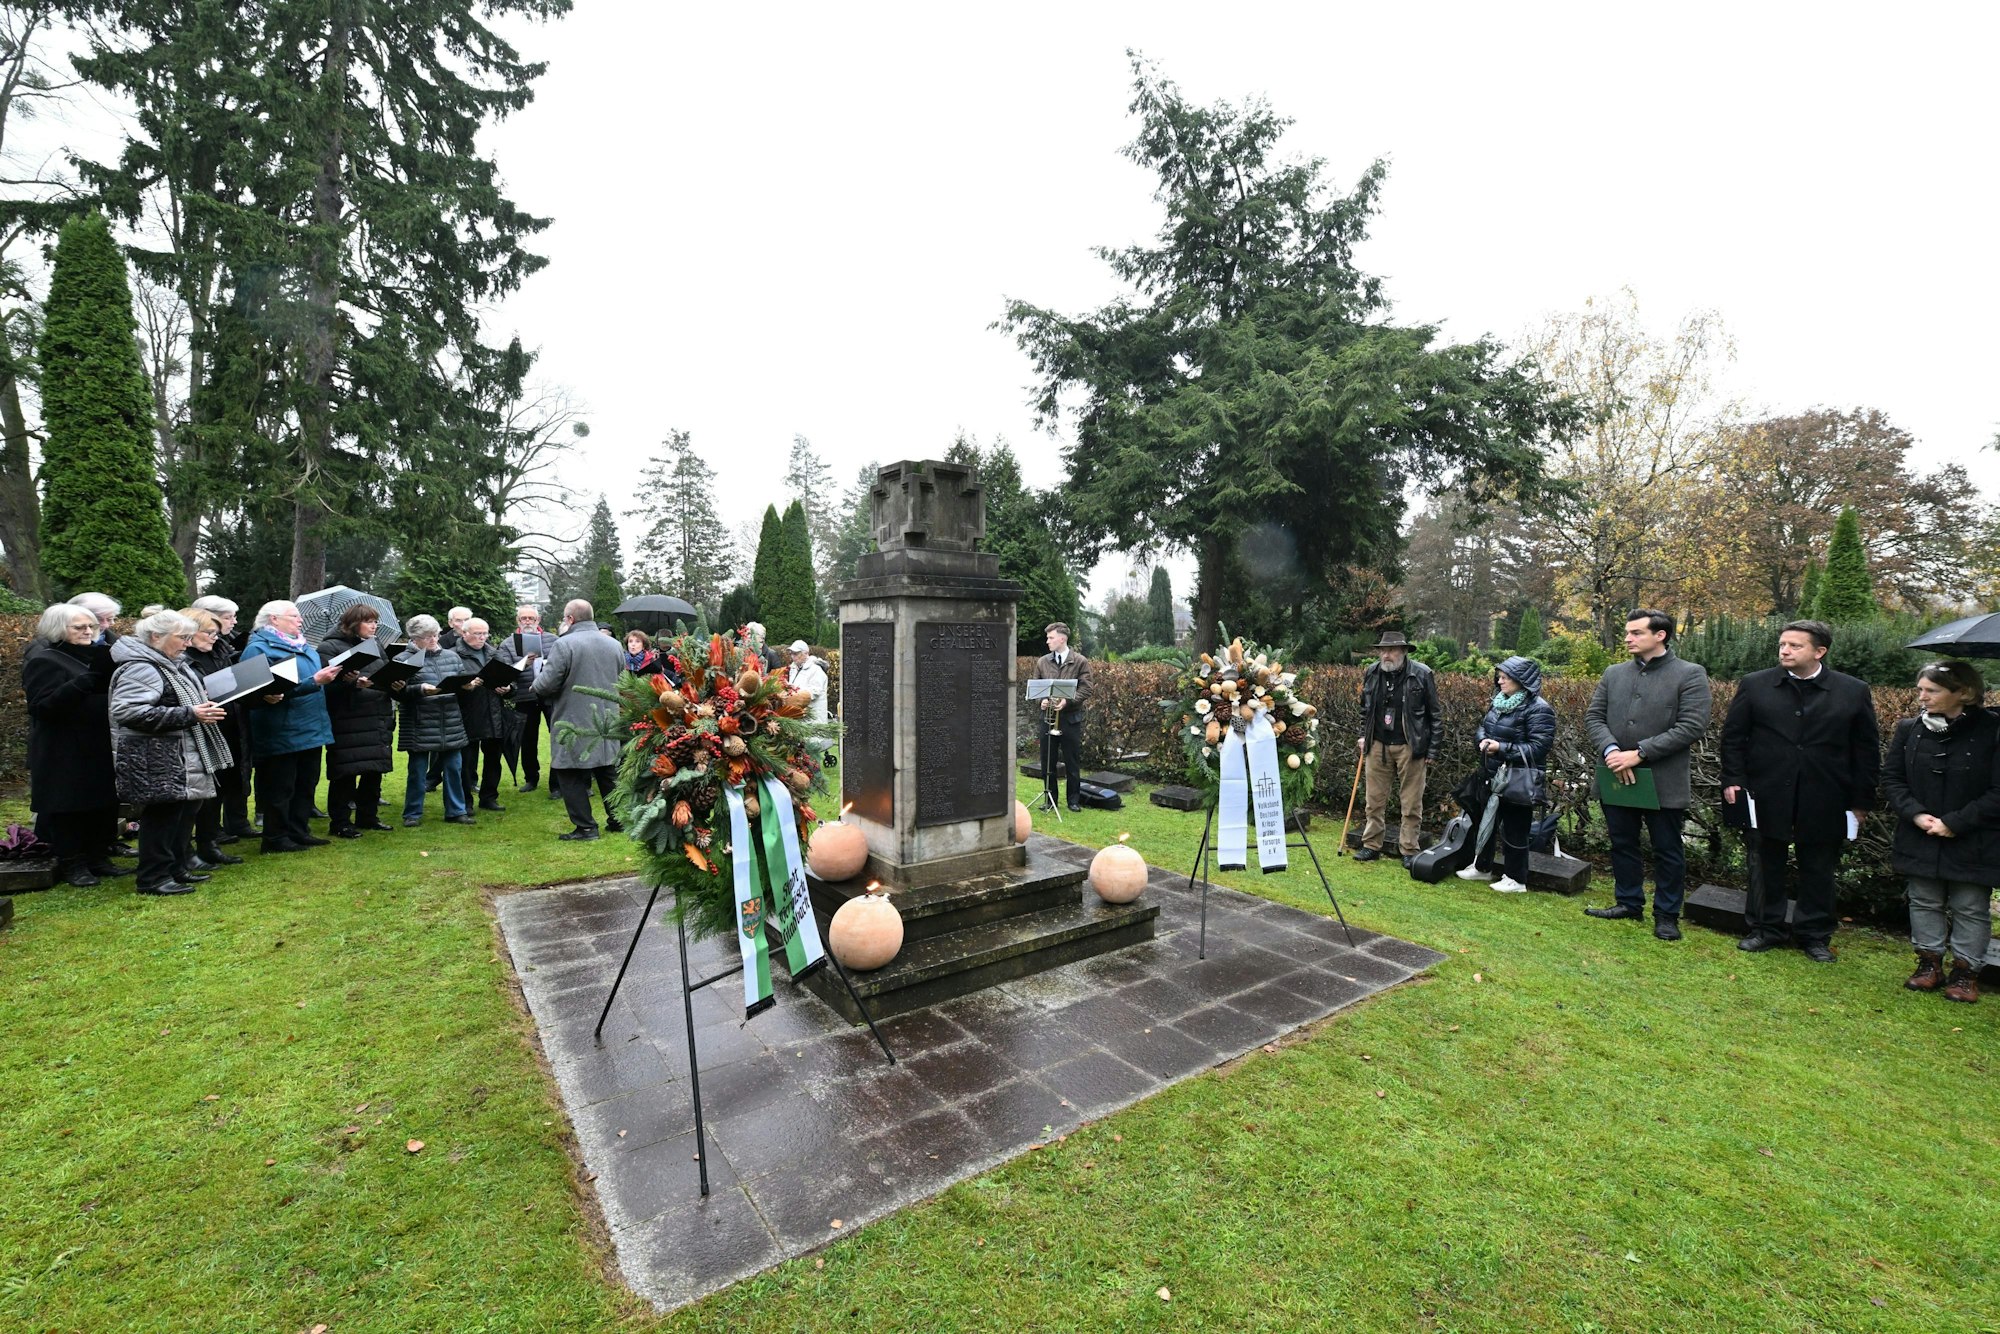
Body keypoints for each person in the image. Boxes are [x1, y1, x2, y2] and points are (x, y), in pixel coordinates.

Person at [1720, 619, 1881, 963]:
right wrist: (1733, 779)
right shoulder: (1755, 684)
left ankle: (1814, 935)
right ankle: (1766, 928)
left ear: (1819, 651)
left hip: (1826, 793)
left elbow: (1866, 751)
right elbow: (1733, 737)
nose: (1785, 650)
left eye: (1795, 645)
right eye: (1782, 644)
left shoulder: (1852, 691)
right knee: (1765, 861)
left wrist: (1861, 801)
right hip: (1766, 790)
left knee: (1819, 866)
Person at [1582, 609, 1714, 941]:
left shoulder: (1690, 674)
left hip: (1662, 779)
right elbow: (1594, 717)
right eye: (1627, 632)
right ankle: (1628, 902)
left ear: (1660, 635)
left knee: (1667, 849)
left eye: (1636, 633)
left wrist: (1639, 753)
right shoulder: (1614, 673)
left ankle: (1666, 915)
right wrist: (1612, 751)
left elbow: (1692, 726)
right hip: (1615, 774)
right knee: (1622, 843)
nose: (1628, 638)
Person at [1882, 660, 1997, 1003]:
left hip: (1975, 836)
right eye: (1920, 689)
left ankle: (1966, 972)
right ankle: (1928, 965)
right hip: (1920, 833)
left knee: (1970, 905)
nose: (1922, 697)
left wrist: (1955, 823)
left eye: (1931, 690)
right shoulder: (1910, 729)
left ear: (1964, 693)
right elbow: (1893, 779)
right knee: (1923, 900)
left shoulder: (1993, 731)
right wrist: (1917, 815)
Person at [108, 611, 233, 895]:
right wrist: (190, 713)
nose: (188, 643)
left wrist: (198, 707)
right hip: (155, 757)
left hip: (176, 753)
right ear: (156, 637)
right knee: (162, 818)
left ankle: (176, 869)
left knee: (182, 814)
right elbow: (127, 712)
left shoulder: (171, 664)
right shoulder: (141, 668)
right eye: (183, 637)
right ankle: (152, 878)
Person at [23, 603, 128, 885]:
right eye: (79, 627)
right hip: (64, 749)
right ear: (58, 629)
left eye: (91, 626)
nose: (88, 632)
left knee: (103, 802)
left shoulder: (97, 655)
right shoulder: (45, 660)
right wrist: (85, 682)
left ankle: (98, 857)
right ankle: (73, 863)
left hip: (98, 743)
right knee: (70, 807)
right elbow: (42, 706)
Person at [239, 600, 343, 854]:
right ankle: (275, 837)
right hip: (281, 728)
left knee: (306, 784)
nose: (300, 620)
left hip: (311, 725)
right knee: (280, 787)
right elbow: (252, 692)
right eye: (294, 616)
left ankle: (299, 831)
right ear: (273, 619)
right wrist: (314, 681)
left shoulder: (305, 646)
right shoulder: (258, 649)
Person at [1457, 655, 1556, 894]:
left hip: (1518, 779)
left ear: (1521, 680)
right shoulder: (1499, 701)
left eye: (1505, 677)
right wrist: (1482, 741)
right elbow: (1484, 727)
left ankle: (1516, 879)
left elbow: (1539, 747)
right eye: (1499, 677)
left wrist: (1501, 748)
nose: (1500, 681)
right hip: (1491, 774)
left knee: (1515, 829)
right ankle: (1482, 867)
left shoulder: (1539, 709)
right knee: (1485, 822)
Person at [531, 598, 625, 840]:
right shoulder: (614, 644)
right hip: (607, 717)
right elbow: (622, 679)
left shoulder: (564, 644)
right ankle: (618, 819)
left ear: (570, 619)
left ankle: (586, 827)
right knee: (607, 770)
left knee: (569, 771)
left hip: (573, 719)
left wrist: (536, 683)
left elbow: (546, 684)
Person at [1354, 630, 1441, 867]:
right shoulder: (1372, 672)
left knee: (1411, 803)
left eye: (1391, 650)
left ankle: (1409, 849)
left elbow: (1435, 714)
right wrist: (1363, 735)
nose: (1386, 655)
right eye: (1383, 650)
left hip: (1410, 746)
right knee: (1373, 801)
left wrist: (1432, 750)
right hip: (1377, 745)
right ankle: (1371, 845)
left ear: (1403, 651)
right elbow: (1365, 710)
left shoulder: (1422, 674)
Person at [315, 603, 396, 838]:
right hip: (348, 718)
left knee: (374, 770)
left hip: (376, 714)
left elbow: (383, 673)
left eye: (375, 621)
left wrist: (395, 681)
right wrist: (349, 682)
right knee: (345, 772)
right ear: (353, 623)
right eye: (369, 621)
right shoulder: (329, 647)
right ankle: (340, 822)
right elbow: (325, 687)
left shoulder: (375, 644)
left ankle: (368, 816)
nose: (374, 626)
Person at [179, 608, 248, 869]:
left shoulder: (219, 653)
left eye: (216, 633)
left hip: (227, 727)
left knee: (218, 790)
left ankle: (209, 844)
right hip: (198, 732)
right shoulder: (182, 659)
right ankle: (186, 851)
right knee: (199, 795)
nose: (214, 637)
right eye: (209, 632)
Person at [397, 614, 476, 826]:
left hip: (450, 720)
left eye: (435, 635)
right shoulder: (403, 660)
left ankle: (456, 811)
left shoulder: (452, 656)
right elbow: (397, 693)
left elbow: (461, 684)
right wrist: (420, 689)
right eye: (427, 637)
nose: (433, 640)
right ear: (414, 638)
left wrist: (467, 687)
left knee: (454, 768)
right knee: (417, 771)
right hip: (420, 722)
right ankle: (412, 813)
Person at [190, 594, 253, 835]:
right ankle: (211, 831)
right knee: (213, 779)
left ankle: (235, 824)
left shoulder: (221, 648)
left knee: (235, 772)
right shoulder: (188, 655)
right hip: (205, 723)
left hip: (231, 718)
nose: (234, 622)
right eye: (228, 617)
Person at [455, 617, 517, 813]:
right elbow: (448, 685)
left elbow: (510, 679)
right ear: (464, 633)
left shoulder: (494, 653)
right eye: (477, 634)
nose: (482, 638)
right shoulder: (454, 655)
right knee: (466, 762)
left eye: (485, 633)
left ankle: (489, 797)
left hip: (494, 713)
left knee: (493, 759)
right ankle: (465, 802)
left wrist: (508, 688)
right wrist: (465, 686)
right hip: (467, 714)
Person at [1030, 621, 1092, 811]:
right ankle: (1050, 801)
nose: (1047, 641)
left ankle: (1073, 801)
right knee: (1047, 761)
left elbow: (1086, 688)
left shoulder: (1080, 661)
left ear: (1062, 639)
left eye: (1051, 638)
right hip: (1047, 718)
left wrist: (1068, 701)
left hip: (1070, 719)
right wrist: (1041, 700)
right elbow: (1035, 687)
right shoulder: (1042, 662)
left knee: (1072, 761)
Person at [504, 604, 559, 795]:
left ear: (538, 620)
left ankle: (557, 783)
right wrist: (523, 663)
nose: (528, 622)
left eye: (531, 618)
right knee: (527, 739)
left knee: (558, 737)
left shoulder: (554, 640)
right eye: (524, 618)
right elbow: (505, 670)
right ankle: (531, 778)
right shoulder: (509, 643)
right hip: (524, 695)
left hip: (551, 695)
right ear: (518, 620)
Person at [785, 638, 832, 766]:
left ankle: (817, 777)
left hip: (813, 720)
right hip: (800, 718)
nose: (793, 656)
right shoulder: (794, 668)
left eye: (796, 653)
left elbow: (814, 692)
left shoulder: (816, 670)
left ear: (806, 653)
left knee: (812, 758)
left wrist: (794, 694)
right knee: (800, 758)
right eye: (792, 653)